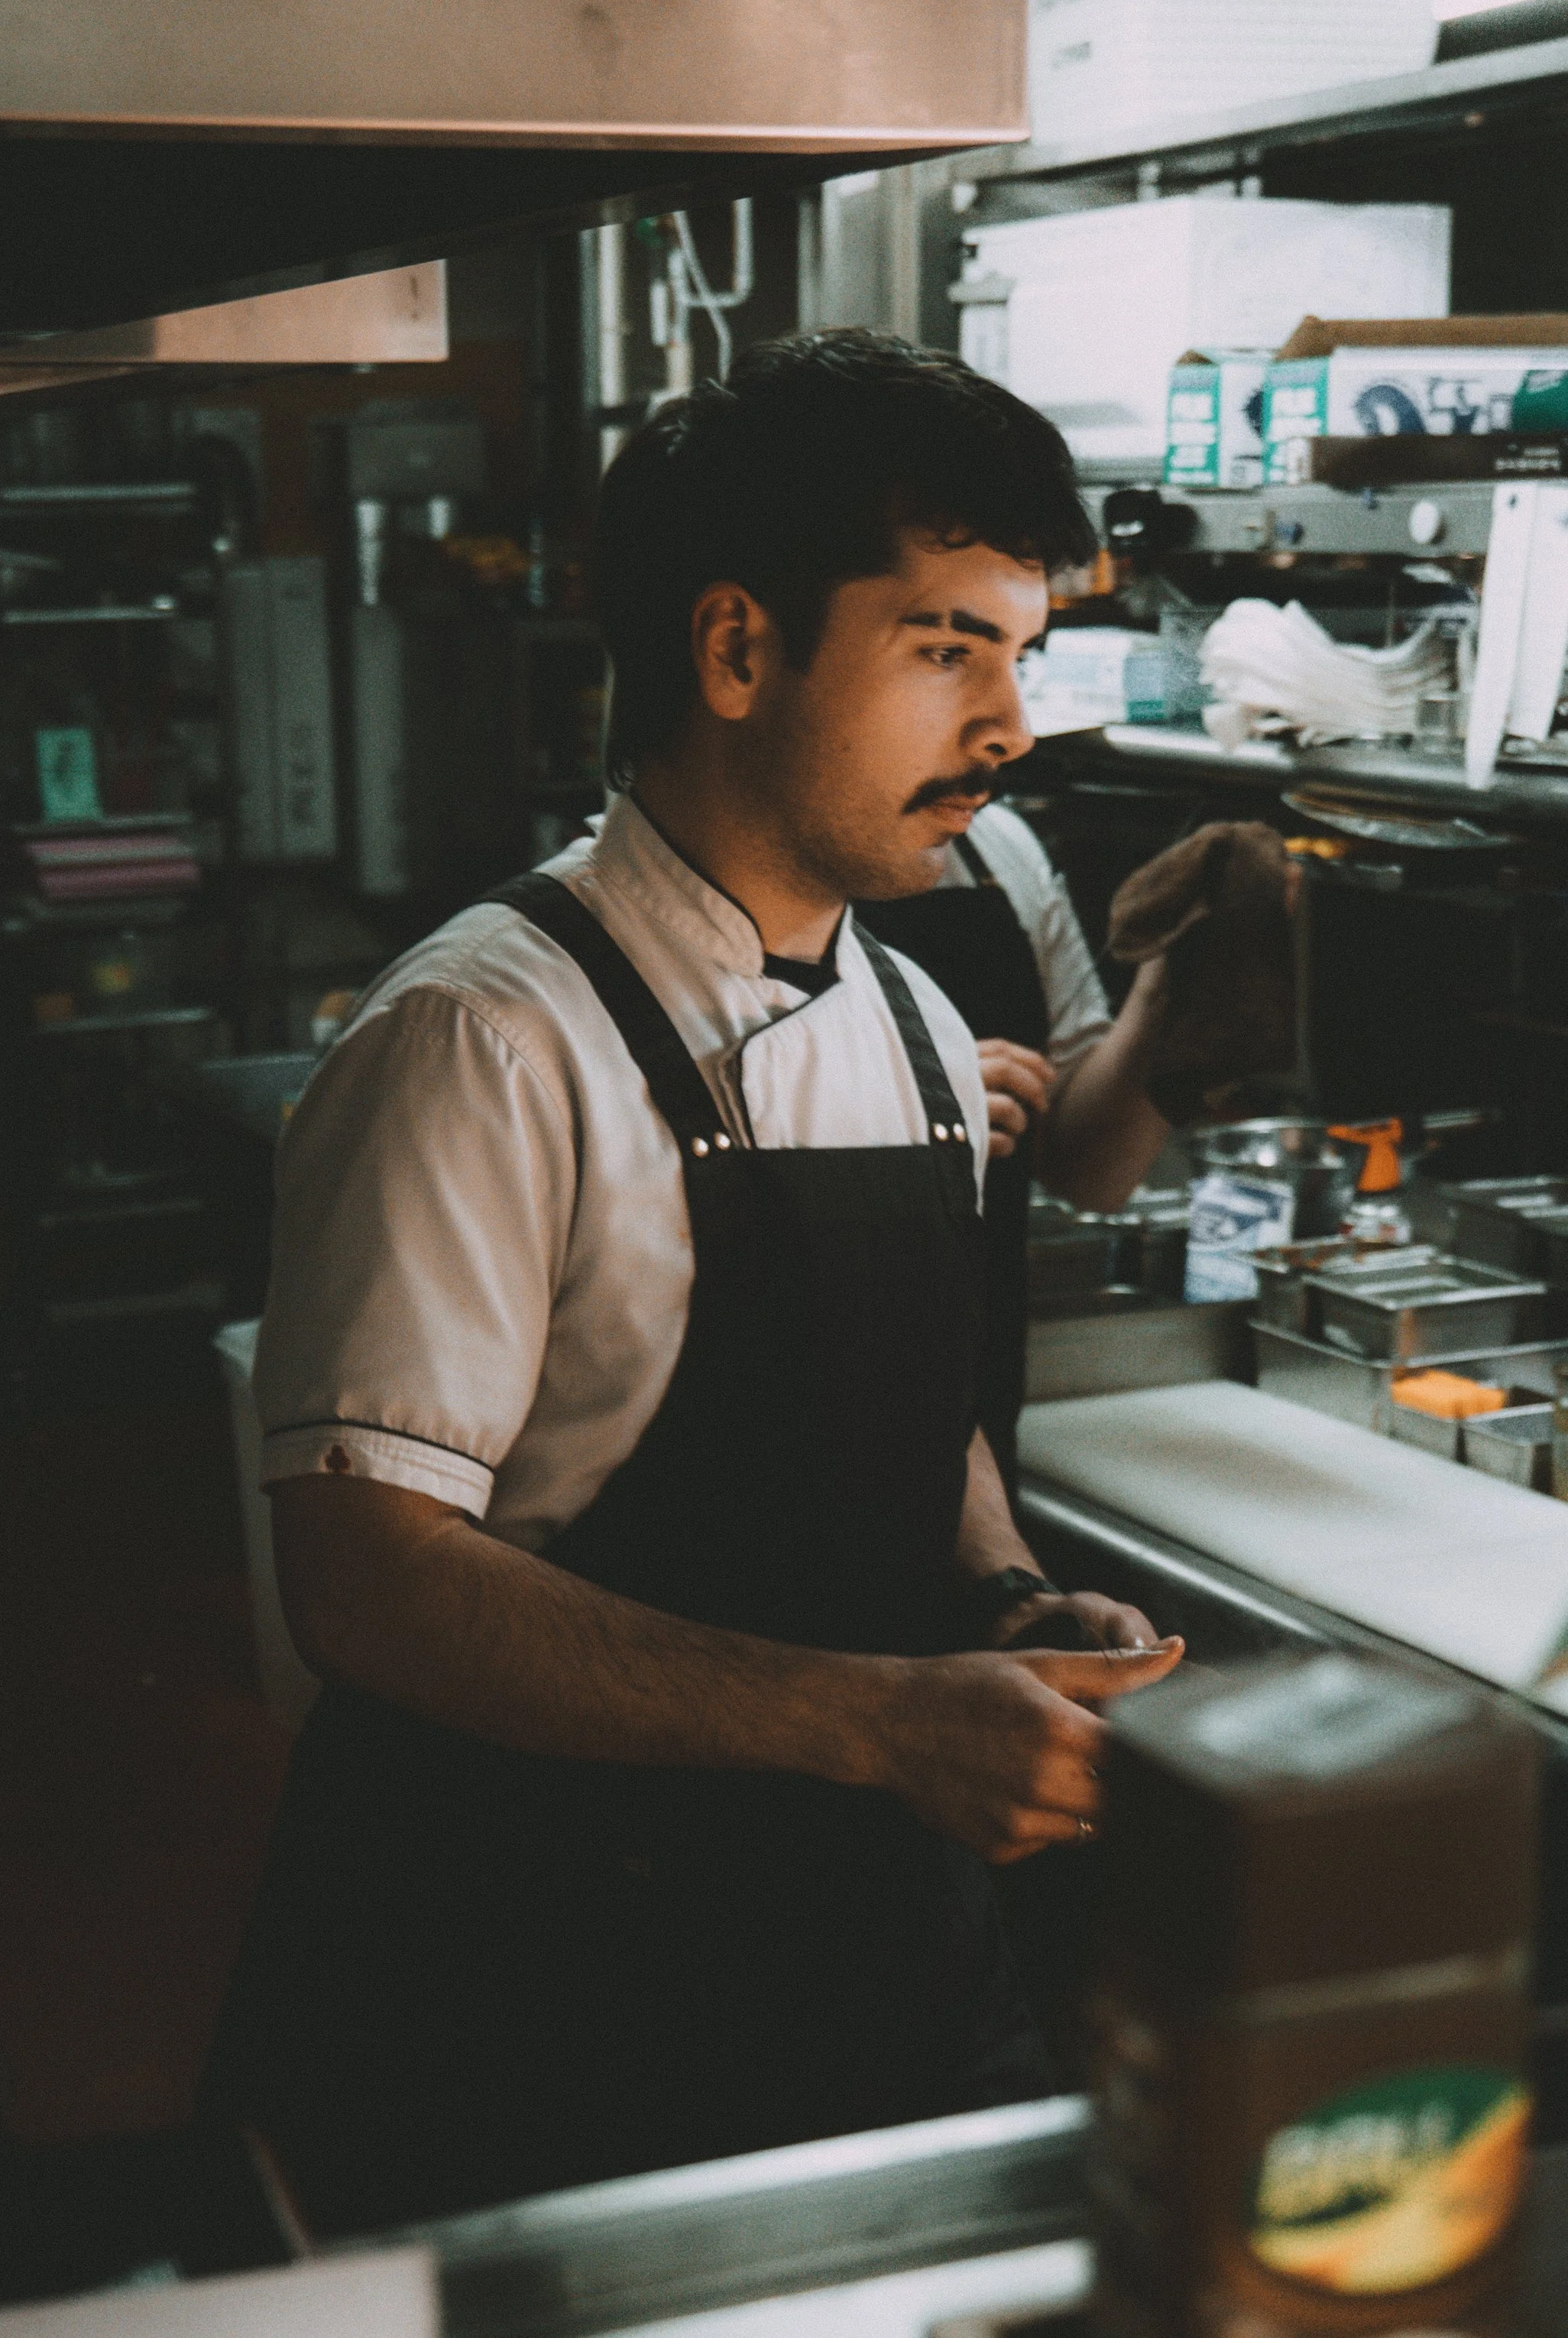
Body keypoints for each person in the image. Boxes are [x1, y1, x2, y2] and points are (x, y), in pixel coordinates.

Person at [206, 330, 1183, 2233]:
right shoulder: (486, 1043)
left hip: (872, 1969)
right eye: (944, 647)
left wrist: (1007, 1591)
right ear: (735, 650)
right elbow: (367, 1583)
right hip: (544, 1985)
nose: (1009, 726)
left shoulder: (907, 1012)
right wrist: (892, 1721)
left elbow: (914, 1432)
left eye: (1023, 654)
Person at [858, 800, 1171, 1484]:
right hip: (789, 1438)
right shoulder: (698, 888)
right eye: (948, 681)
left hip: (977, 1403)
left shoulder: (997, 846)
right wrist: (906, 1106)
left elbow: (1088, 1173)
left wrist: (1167, 983)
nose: (1013, 729)